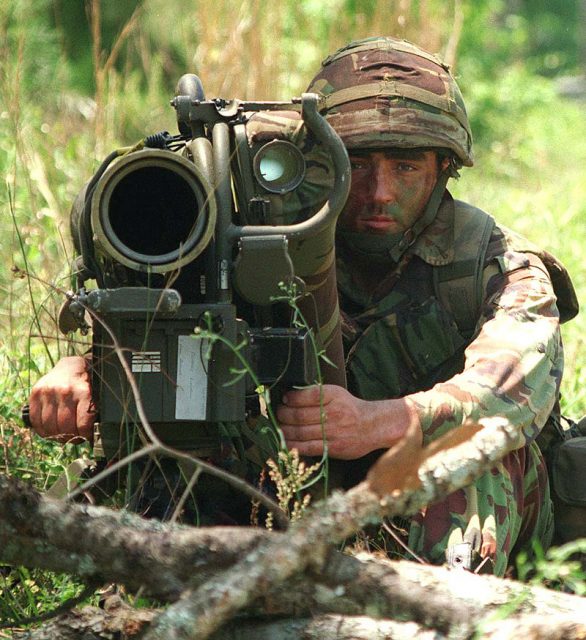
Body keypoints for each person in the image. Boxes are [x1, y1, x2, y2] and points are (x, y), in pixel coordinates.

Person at [28, 36, 578, 575]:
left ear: (443, 169)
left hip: (442, 486)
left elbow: (510, 391)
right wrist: (89, 371)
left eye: (406, 167)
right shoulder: (257, 236)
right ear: (318, 163)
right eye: (358, 165)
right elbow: (164, 325)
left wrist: (377, 421)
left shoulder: (496, 263)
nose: (379, 192)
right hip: (296, 475)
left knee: (474, 452)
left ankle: (439, 603)